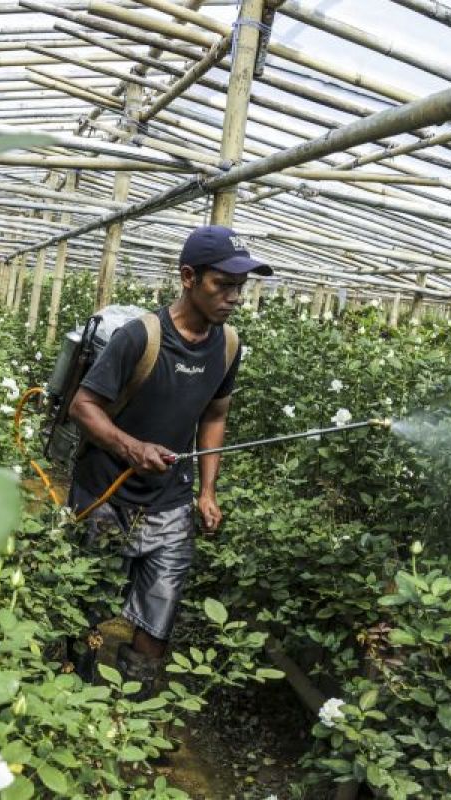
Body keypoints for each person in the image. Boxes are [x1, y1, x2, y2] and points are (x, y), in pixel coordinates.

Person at [67, 224, 273, 695]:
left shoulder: (228, 346)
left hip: (170, 500)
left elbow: (215, 415)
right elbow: (83, 406)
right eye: (223, 284)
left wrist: (206, 490)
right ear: (188, 277)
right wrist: (131, 448)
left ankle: (134, 710)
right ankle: (73, 693)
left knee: (159, 614)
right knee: (87, 602)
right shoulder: (140, 337)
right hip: (105, 493)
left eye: (240, 287)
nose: (234, 297)